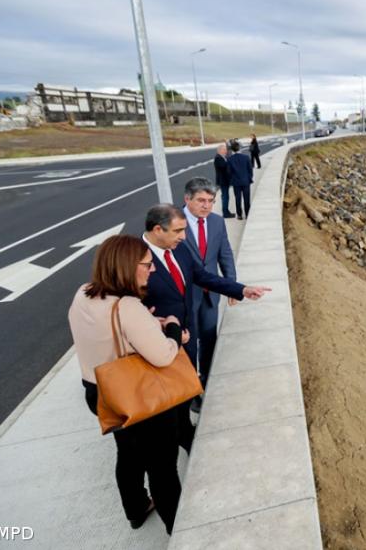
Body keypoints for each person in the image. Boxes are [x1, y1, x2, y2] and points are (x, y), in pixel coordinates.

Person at [68, 234, 188, 534]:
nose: (153, 269)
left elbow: (108, 334)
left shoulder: (83, 294)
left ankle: (135, 508)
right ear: (126, 266)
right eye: (147, 264)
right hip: (138, 397)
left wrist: (145, 325)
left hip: (100, 393)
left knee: (129, 453)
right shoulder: (128, 307)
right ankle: (179, 530)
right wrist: (174, 330)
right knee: (162, 468)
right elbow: (163, 356)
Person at [141, 204, 271, 450]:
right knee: (166, 402)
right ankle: (175, 437)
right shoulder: (133, 258)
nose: (183, 236)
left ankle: (185, 431)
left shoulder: (178, 250)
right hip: (158, 345)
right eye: (178, 231)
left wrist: (241, 289)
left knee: (184, 391)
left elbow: (202, 277)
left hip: (187, 337)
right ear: (158, 230)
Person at [181, 178, 237, 399]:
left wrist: (231, 286)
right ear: (187, 199)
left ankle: (205, 381)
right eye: (201, 200)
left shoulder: (216, 222)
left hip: (210, 295)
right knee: (188, 345)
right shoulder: (174, 222)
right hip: (185, 297)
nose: (207, 205)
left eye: (211, 201)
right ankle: (190, 390)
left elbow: (225, 254)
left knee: (209, 339)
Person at [227, 141, 254, 220]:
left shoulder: (230, 159)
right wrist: (249, 178)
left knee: (237, 199)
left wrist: (232, 179)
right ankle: (247, 214)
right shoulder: (246, 157)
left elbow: (229, 172)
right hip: (246, 181)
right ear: (239, 148)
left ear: (232, 150)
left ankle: (239, 215)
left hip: (236, 182)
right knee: (247, 199)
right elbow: (250, 169)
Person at [213, 143, 234, 218]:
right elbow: (224, 166)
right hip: (223, 181)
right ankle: (225, 213)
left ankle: (227, 211)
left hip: (225, 180)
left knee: (226, 196)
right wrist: (229, 161)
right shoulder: (218, 158)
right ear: (220, 150)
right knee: (225, 197)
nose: (226, 151)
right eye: (224, 150)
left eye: (226, 149)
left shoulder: (223, 157)